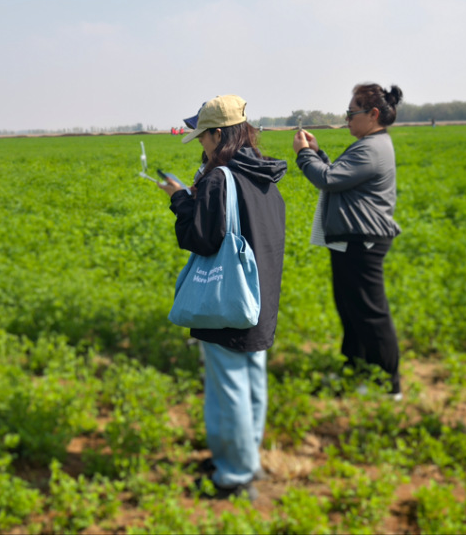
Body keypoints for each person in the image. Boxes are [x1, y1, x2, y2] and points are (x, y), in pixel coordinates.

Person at [159, 95, 287, 501]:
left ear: (218, 134)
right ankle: (247, 460)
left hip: (228, 300)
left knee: (228, 388)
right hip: (259, 296)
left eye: (203, 136)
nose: (200, 143)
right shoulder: (263, 172)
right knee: (251, 381)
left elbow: (200, 237)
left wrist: (180, 199)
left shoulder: (220, 178)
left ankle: (234, 475)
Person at [292, 83, 403, 397]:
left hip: (362, 240)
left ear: (373, 114)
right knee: (351, 309)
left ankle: (387, 384)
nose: (347, 119)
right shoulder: (370, 144)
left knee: (369, 311)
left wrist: (303, 155)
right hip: (354, 238)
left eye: (351, 113)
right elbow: (339, 174)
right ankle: (356, 369)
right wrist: (317, 154)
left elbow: (328, 178)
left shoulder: (371, 148)